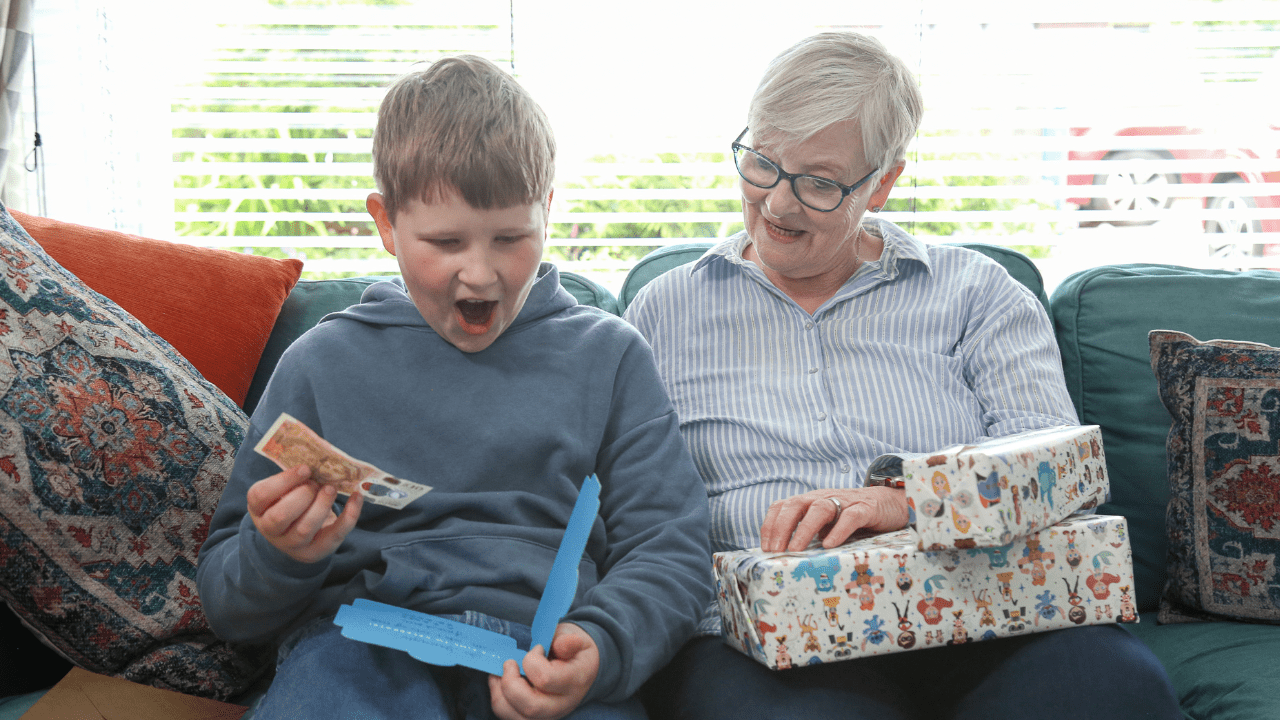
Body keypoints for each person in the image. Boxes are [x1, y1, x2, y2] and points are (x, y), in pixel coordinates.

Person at [624, 32, 1182, 720]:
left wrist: (911, 501)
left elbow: (1058, 478)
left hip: (989, 613)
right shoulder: (663, 312)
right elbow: (636, 515)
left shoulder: (978, 293)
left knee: (1108, 691)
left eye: (820, 182)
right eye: (763, 163)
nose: (776, 203)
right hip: (767, 641)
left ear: (883, 183)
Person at [196, 55, 713, 720]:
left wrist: (604, 641)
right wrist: (279, 553)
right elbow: (228, 607)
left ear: (548, 213)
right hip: (358, 649)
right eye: (444, 241)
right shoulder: (321, 363)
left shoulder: (609, 358)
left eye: (510, 237)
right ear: (386, 224)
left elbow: (669, 545)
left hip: (544, 656)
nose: (480, 275)